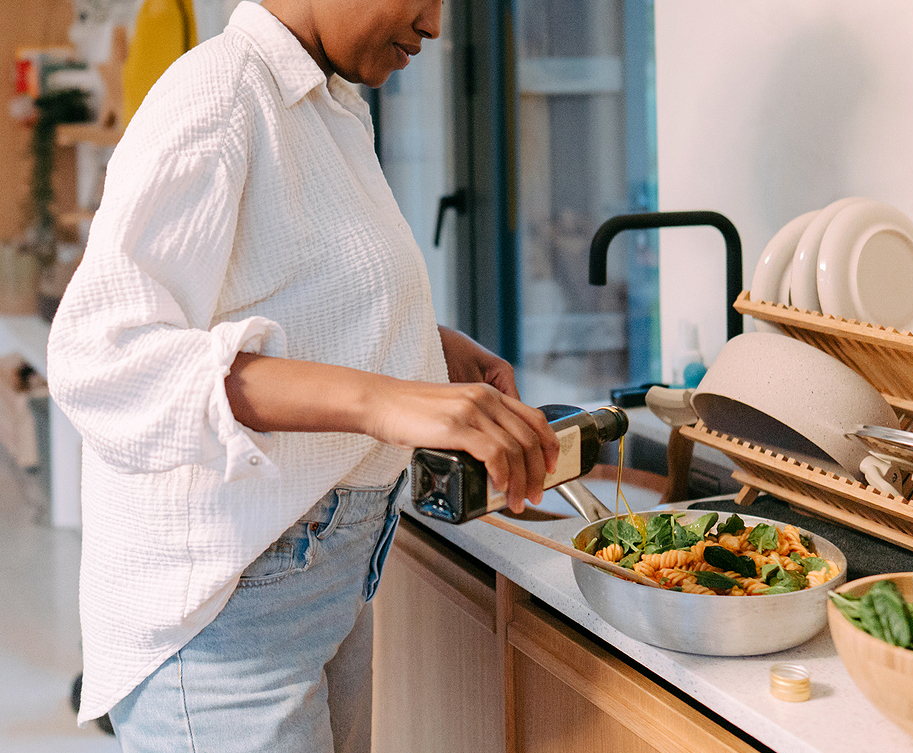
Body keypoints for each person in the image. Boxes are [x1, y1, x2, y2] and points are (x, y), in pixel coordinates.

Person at [45, 1, 559, 751]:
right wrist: (383, 400)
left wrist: (426, 346)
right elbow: (102, 359)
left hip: (326, 578)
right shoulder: (219, 95)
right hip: (229, 616)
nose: (437, 23)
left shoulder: (328, 103)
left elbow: (299, 294)